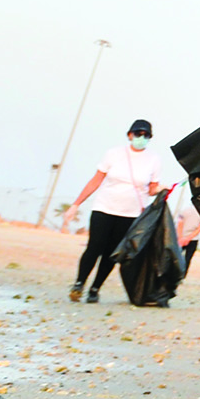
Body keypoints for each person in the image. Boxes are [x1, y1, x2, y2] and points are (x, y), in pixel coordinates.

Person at [61, 121, 169, 303]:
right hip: (104, 207)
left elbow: (151, 189)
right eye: (138, 134)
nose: (141, 138)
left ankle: (95, 288)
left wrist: (161, 189)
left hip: (130, 213)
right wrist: (76, 204)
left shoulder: (153, 159)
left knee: (112, 252)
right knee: (95, 246)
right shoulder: (114, 154)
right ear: (130, 135)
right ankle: (79, 283)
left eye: (146, 135)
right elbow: (96, 180)